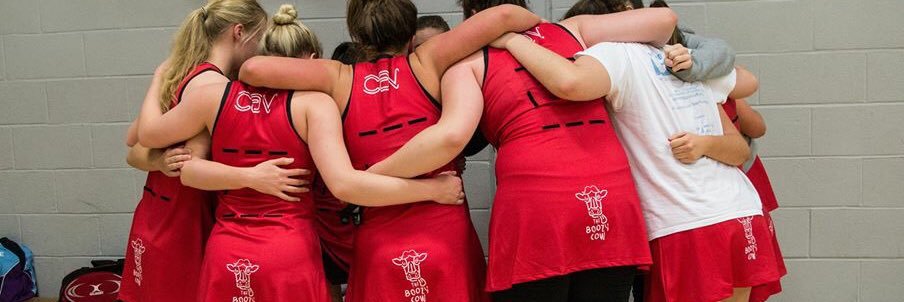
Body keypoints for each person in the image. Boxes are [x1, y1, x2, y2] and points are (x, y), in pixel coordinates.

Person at [135, 5, 466, 301]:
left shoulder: (212, 95)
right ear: (310, 62)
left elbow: (182, 167)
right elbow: (345, 185)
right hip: (289, 250)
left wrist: (245, 176)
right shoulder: (316, 105)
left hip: (228, 248)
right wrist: (432, 188)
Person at [238, 1, 542, 300]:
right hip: (444, 235)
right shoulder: (428, 61)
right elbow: (505, 14)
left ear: (357, 36)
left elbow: (252, 68)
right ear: (411, 35)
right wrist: (548, 32)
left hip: (380, 244)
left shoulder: (339, 77)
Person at [490, 20, 782, 301]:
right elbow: (743, 126)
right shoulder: (685, 59)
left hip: (688, 221)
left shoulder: (614, 55)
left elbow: (569, 82)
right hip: (740, 212)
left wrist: (512, 40)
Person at [119, 1, 268, 301]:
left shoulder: (182, 75)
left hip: (155, 213)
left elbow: (133, 149)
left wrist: (159, 161)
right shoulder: (213, 85)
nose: (259, 51)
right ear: (239, 33)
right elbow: (140, 146)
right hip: (184, 219)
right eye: (259, 38)